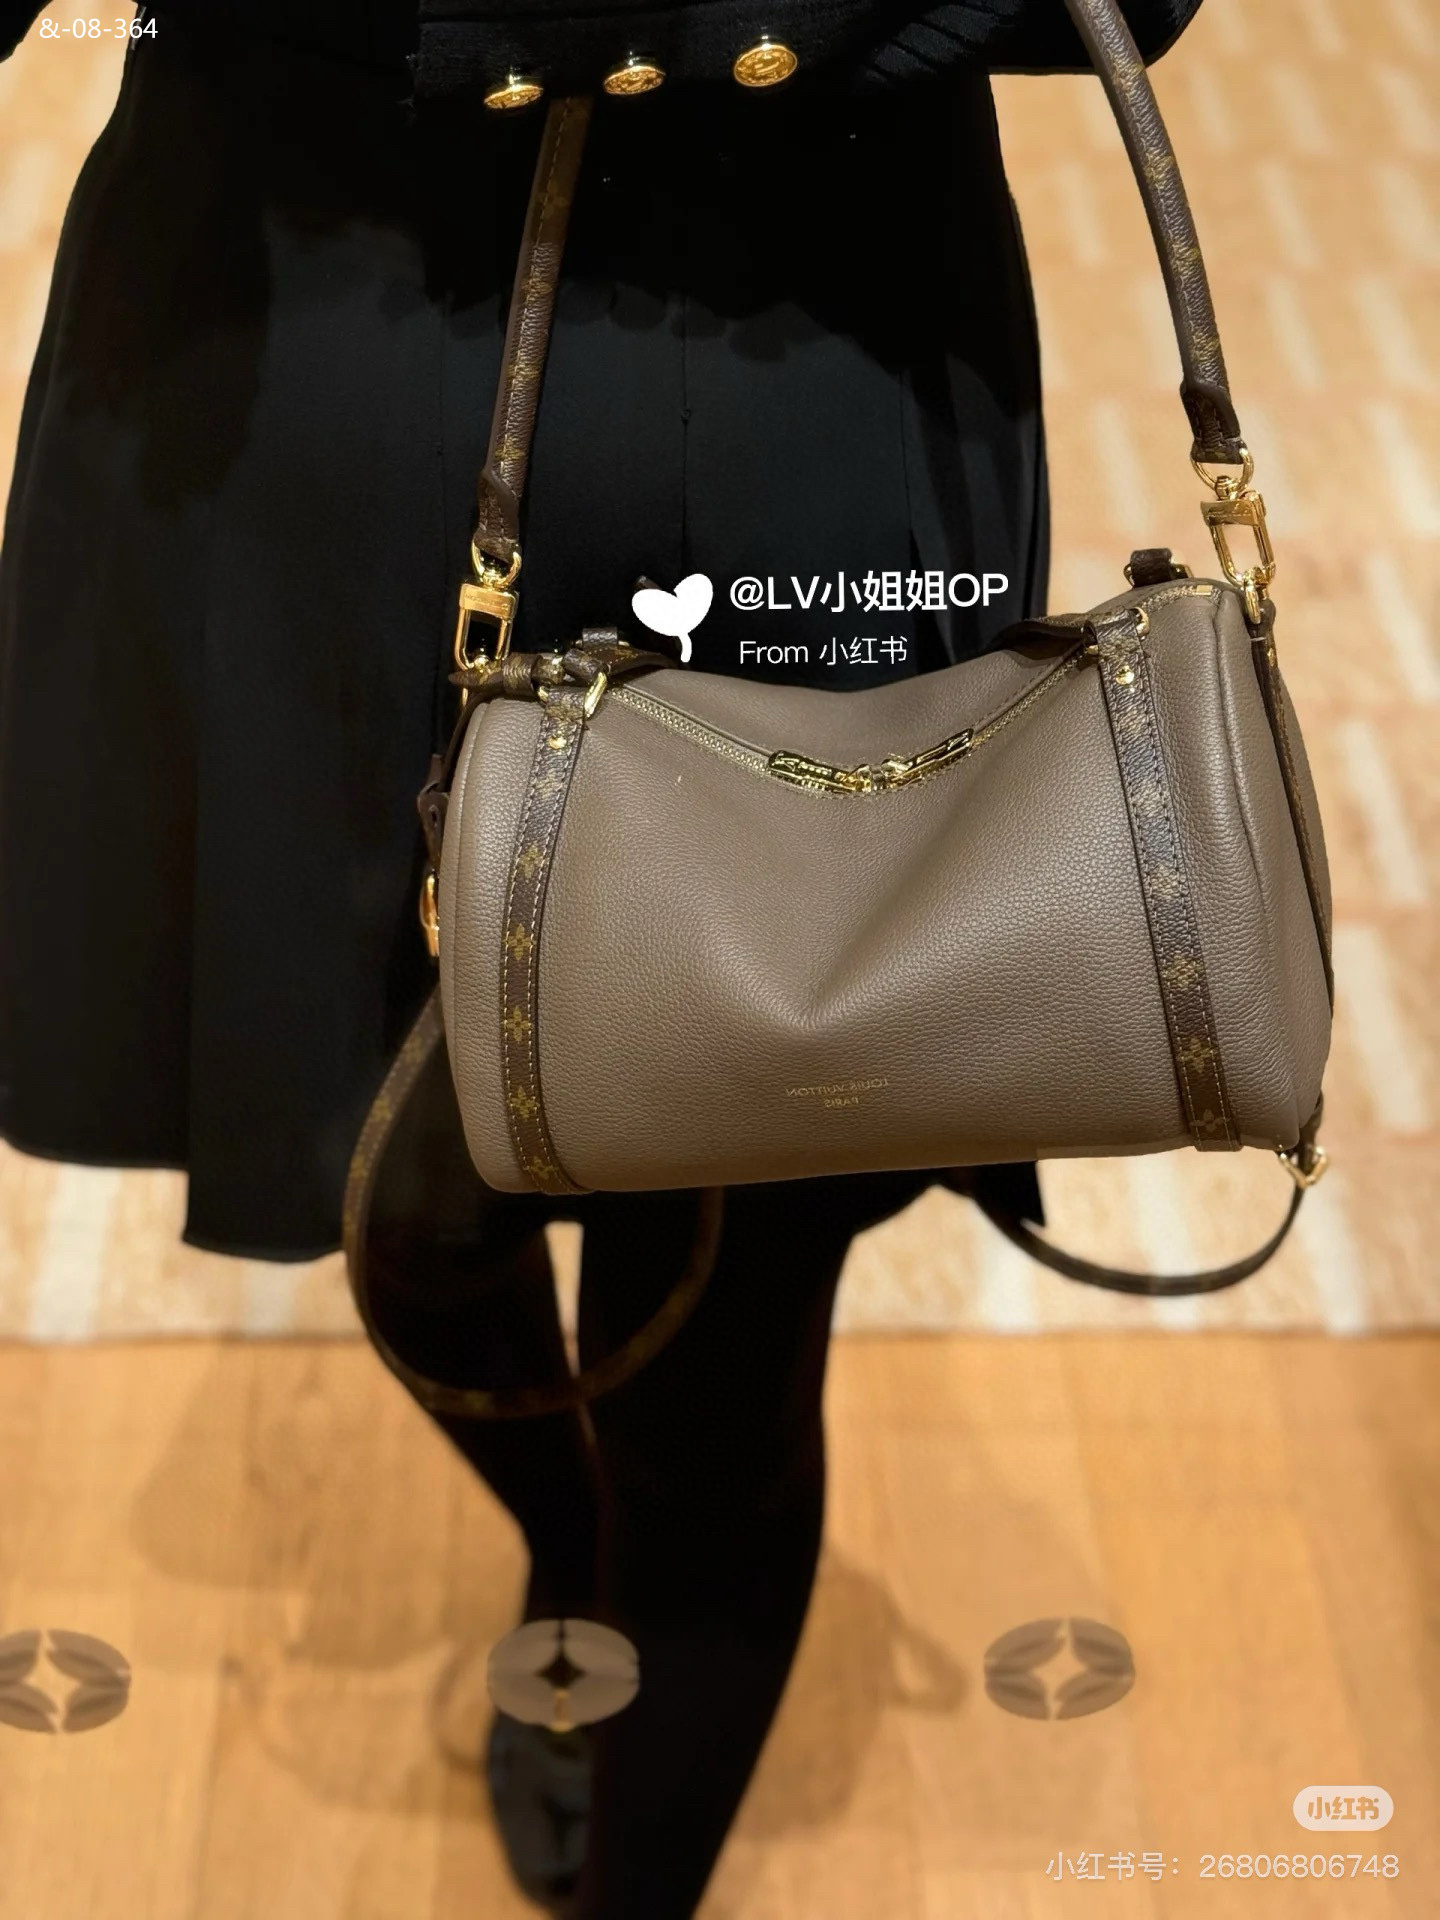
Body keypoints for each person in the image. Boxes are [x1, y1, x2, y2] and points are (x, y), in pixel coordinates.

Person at [0, 4, 1203, 1913]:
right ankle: (577, 1540)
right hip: (275, 360)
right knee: (398, 1192)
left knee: (726, 1338)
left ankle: (647, 1830)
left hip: (795, 338)